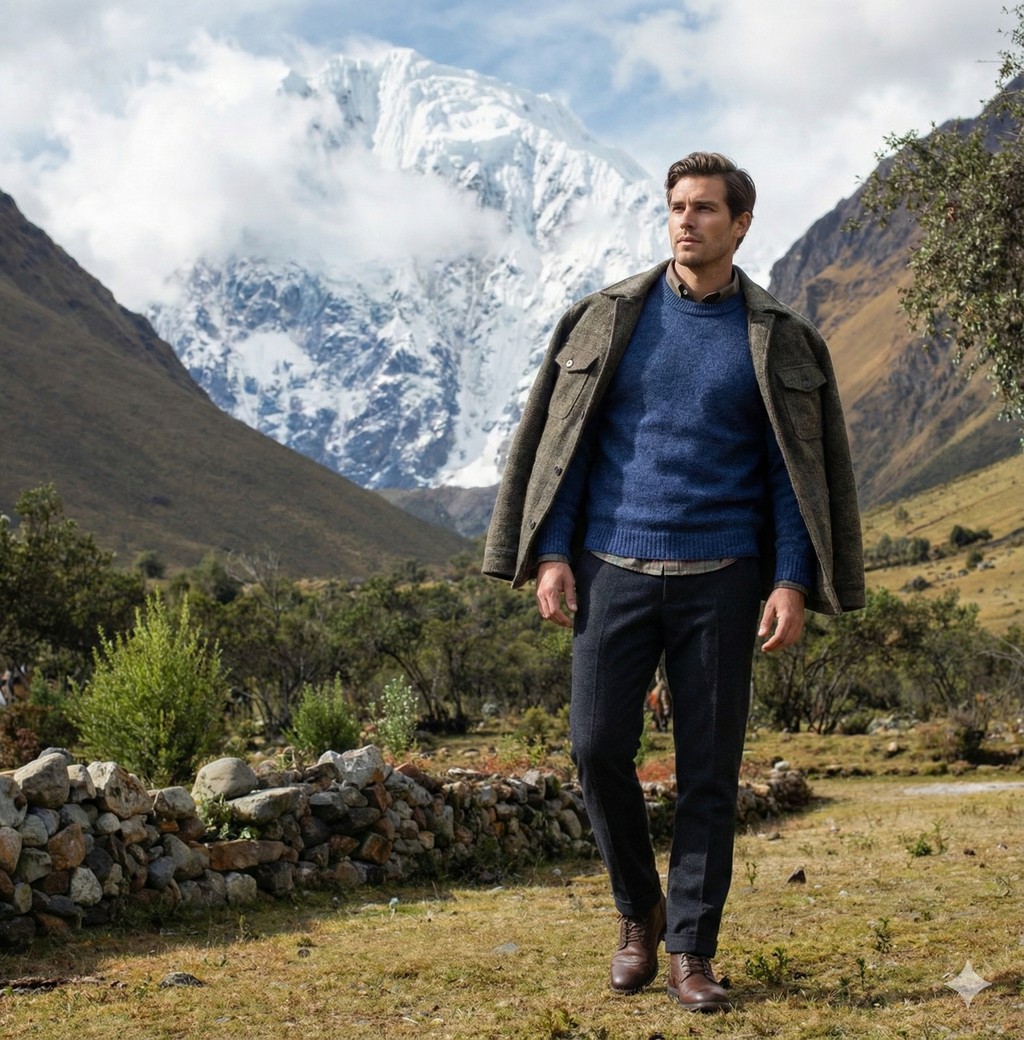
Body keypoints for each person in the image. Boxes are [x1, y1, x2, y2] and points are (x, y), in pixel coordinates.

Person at [483, 151, 864, 1012]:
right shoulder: (608, 319)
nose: (686, 221)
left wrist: (791, 579)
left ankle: (692, 951)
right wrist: (553, 554)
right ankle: (639, 912)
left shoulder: (779, 338)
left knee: (708, 773)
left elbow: (792, 474)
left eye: (704, 209)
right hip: (611, 567)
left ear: (740, 223)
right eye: (677, 207)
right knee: (594, 748)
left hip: (723, 577)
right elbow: (571, 449)